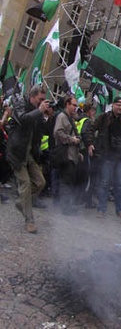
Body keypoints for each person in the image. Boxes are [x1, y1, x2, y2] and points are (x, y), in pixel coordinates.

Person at [5, 85, 51, 233]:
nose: (42, 102)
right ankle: (29, 220)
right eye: (40, 99)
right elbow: (24, 119)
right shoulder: (21, 104)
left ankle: (21, 202)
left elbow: (43, 130)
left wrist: (47, 116)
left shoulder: (38, 112)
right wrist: (39, 111)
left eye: (44, 99)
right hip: (17, 153)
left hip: (29, 153)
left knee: (40, 182)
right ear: (32, 97)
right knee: (25, 185)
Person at [92, 97, 121, 218]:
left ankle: (120, 210)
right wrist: (91, 144)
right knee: (104, 183)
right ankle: (101, 209)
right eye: (118, 105)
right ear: (113, 105)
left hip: (120, 157)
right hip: (107, 156)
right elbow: (92, 129)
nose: (120, 107)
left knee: (119, 184)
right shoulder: (104, 118)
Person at [53, 95, 82, 215]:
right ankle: (65, 207)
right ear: (67, 104)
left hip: (72, 154)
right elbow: (58, 132)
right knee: (65, 181)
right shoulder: (62, 117)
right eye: (74, 105)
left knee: (69, 181)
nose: (76, 107)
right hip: (66, 154)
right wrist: (71, 139)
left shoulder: (70, 117)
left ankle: (67, 205)